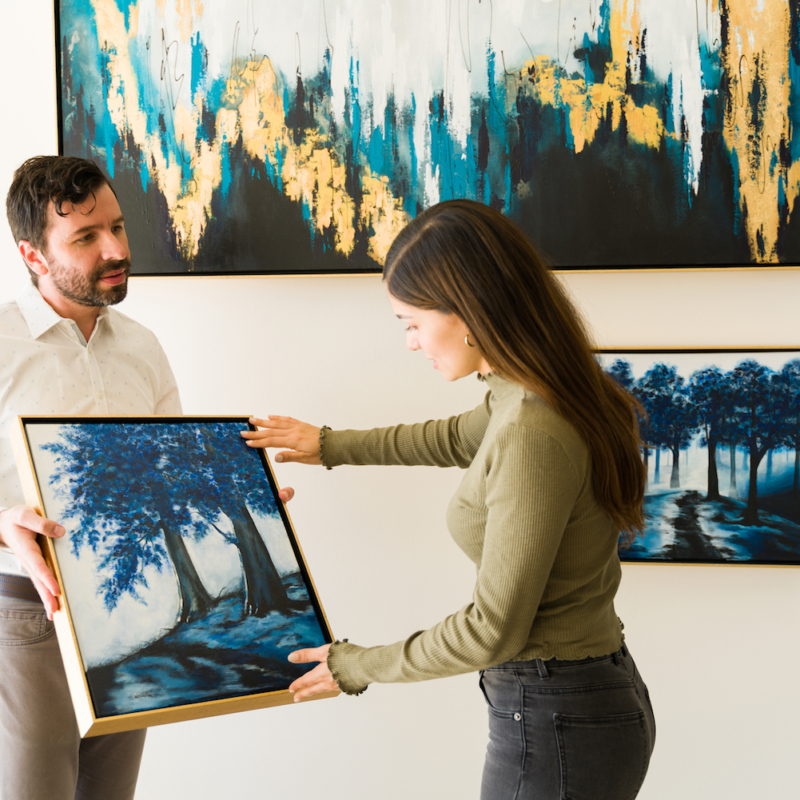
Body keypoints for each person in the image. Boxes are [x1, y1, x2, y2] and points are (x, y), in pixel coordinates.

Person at [242, 199, 656, 799]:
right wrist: (328, 445)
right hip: (573, 705)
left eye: (411, 321)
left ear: (467, 312)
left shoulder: (533, 429)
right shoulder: (527, 392)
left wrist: (354, 665)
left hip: (557, 716)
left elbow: (491, 630)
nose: (411, 342)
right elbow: (451, 437)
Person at [0, 155, 293, 800]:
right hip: (28, 614)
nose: (115, 249)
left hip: (125, 612)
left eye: (118, 226)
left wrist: (248, 495)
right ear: (33, 255)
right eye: (85, 237)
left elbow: (168, 467)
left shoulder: (142, 345)